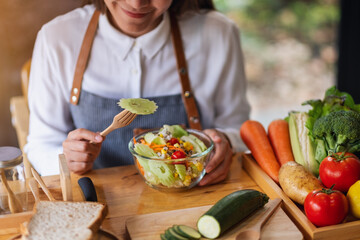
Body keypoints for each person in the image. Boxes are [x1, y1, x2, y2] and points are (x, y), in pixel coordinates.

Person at [25, 0, 250, 186]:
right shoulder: (57, 37)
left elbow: (240, 129)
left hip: (193, 198)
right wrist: (66, 160)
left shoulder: (218, 34)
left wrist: (226, 142)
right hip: (95, 199)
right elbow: (41, 143)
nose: (136, 3)